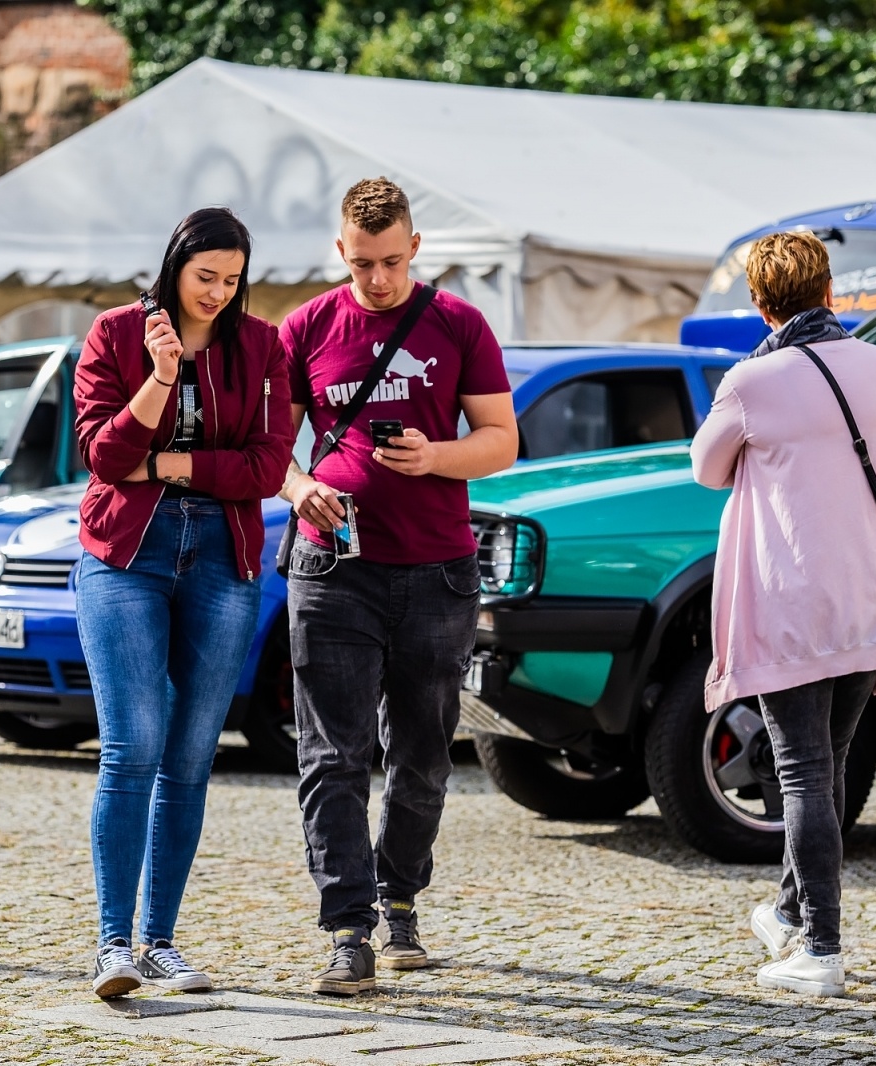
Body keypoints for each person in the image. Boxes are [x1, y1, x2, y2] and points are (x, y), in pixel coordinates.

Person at [279, 177, 517, 995]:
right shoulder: (307, 326)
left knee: (422, 758)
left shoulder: (458, 323)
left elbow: (501, 439)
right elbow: (269, 446)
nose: (377, 278)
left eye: (390, 261)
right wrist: (298, 487)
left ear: (415, 247)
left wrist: (435, 456)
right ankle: (348, 931)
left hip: (436, 571)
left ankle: (400, 898)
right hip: (331, 570)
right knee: (332, 756)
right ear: (340, 251)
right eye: (362, 263)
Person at [71, 207, 291, 1000]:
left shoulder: (262, 345)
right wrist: (161, 377)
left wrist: (169, 465)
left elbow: (269, 466)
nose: (218, 293)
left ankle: (161, 939)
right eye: (206, 277)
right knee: (132, 746)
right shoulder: (115, 335)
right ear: (174, 266)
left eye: (232, 280)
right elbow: (103, 456)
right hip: (125, 556)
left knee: (192, 755)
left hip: (223, 558)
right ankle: (113, 945)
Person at [691, 230, 876, 998]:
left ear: (760, 304)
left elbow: (706, 467)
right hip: (872, 595)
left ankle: (821, 949)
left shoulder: (751, 382)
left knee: (804, 775)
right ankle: (789, 913)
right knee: (828, 767)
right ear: (829, 291)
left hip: (793, 604)